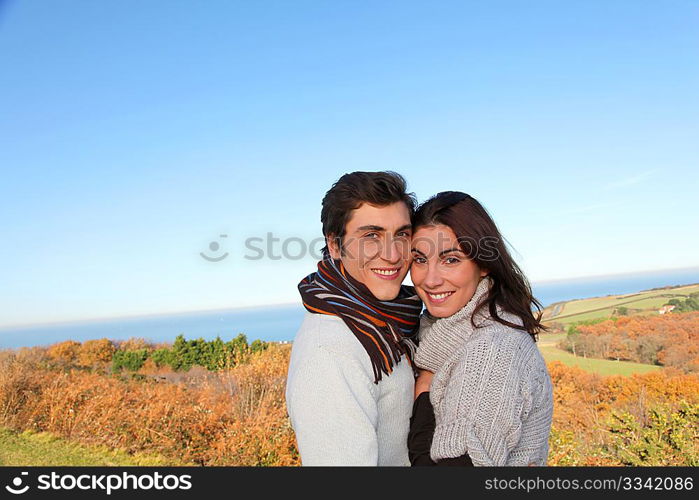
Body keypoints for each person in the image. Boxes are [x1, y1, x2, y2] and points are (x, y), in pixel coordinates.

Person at [285, 171, 423, 466]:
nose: (393, 255)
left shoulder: (390, 322)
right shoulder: (331, 353)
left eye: (402, 234)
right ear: (335, 245)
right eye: (371, 236)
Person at [407, 191, 553, 466]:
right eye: (420, 259)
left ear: (484, 263)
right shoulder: (441, 334)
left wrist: (424, 392)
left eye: (451, 259)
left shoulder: (492, 350)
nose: (431, 279)